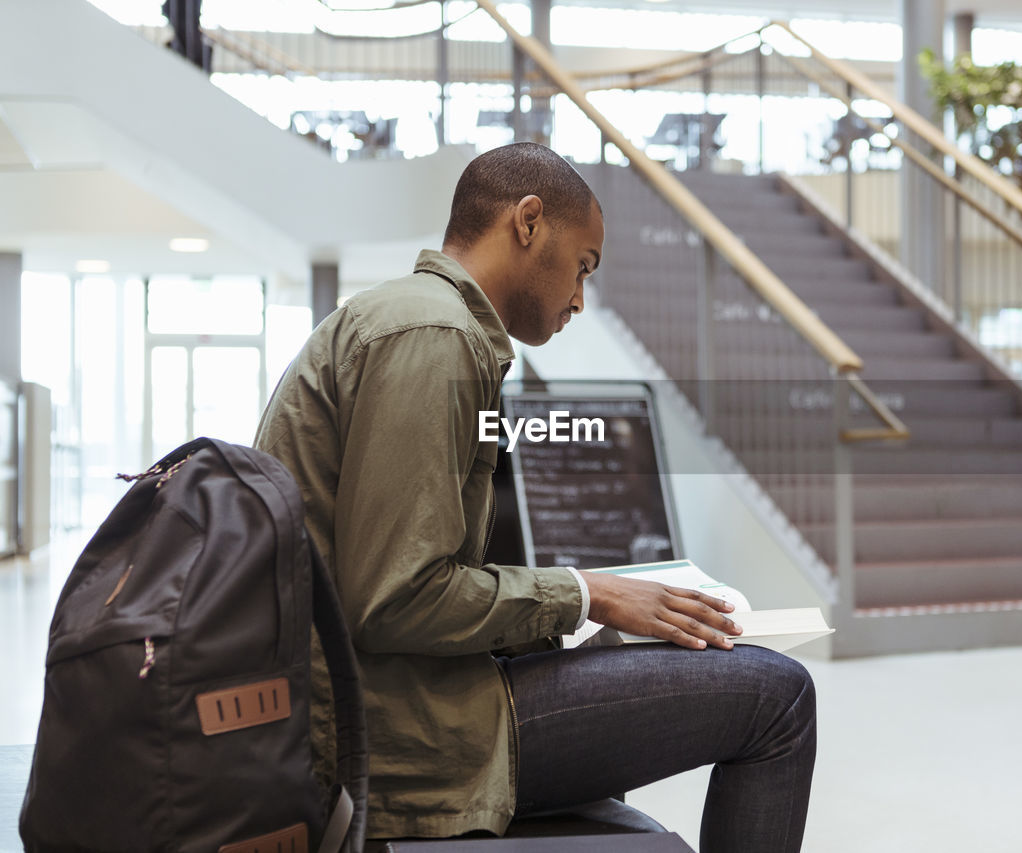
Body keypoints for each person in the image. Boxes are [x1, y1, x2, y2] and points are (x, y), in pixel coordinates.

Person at [253, 142, 816, 850]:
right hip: (407, 735)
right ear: (528, 222)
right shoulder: (433, 334)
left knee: (650, 663)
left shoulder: (419, 321)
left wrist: (582, 613)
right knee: (779, 697)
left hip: (400, 702)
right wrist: (590, 594)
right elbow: (396, 598)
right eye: (582, 267)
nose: (581, 299)